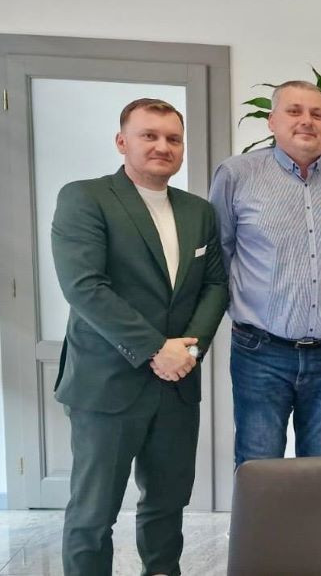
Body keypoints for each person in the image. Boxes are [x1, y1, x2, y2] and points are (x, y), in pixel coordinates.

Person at [52, 98, 228, 576]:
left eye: (173, 138)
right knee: (93, 514)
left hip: (177, 384)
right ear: (121, 141)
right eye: (149, 135)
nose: (162, 146)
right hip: (107, 384)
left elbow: (216, 285)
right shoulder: (85, 198)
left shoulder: (198, 211)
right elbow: (85, 287)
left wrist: (188, 350)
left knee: (168, 505)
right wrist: (155, 349)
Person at [209, 81, 321, 468]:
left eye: (317, 114)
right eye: (294, 111)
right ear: (271, 121)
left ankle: (313, 517)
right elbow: (219, 254)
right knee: (258, 465)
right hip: (261, 353)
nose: (306, 121)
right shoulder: (236, 174)